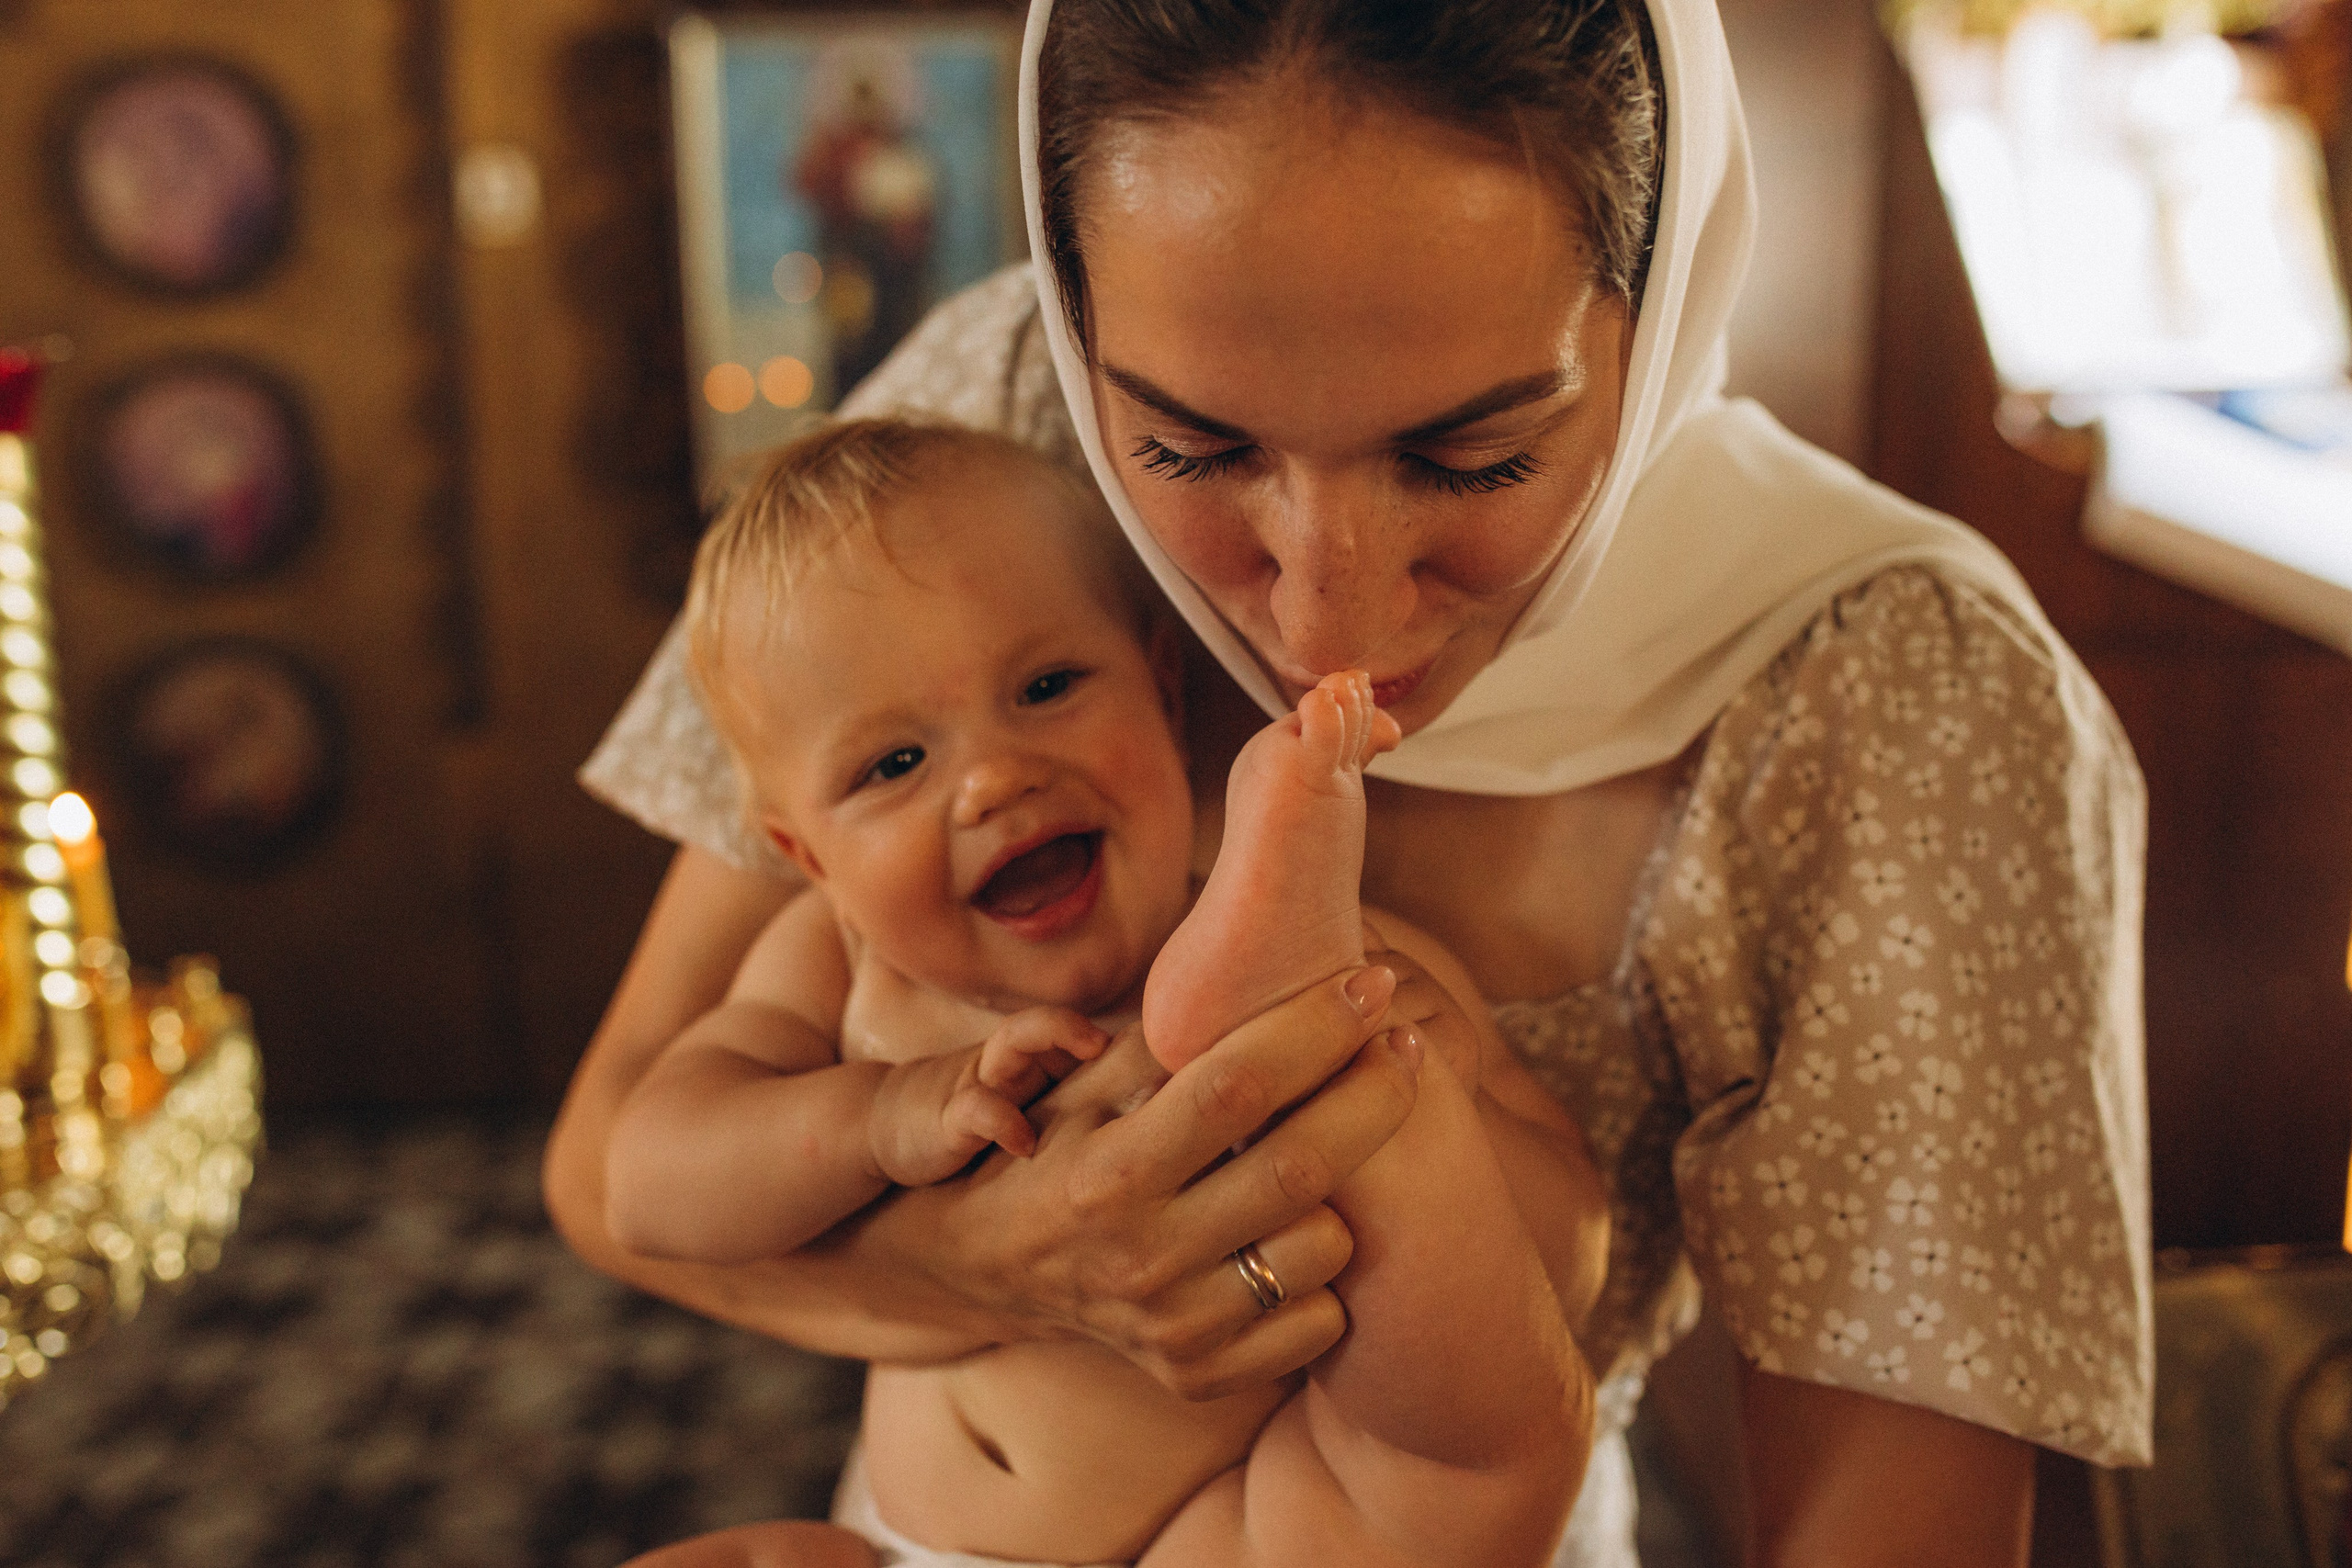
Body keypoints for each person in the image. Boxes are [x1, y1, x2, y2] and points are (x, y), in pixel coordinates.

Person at [553, 1, 2154, 1562]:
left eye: (1472, 458)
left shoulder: (1901, 693)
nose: (1329, 626)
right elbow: (613, 1166)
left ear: (1660, 299)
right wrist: (1013, 1259)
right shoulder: (1010, 407)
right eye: (1191, 452)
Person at [605, 420, 1600, 1568]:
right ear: (808, 857)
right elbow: (647, 1186)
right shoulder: (834, 964)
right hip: (914, 1543)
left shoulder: (1340, 956)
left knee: (1442, 1472)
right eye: (893, 764)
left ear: (1162, 693)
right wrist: (876, 1116)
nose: (993, 778)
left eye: (1046, 686)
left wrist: (1429, 1106)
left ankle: (1363, 1088)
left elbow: (1573, 1255)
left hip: (1236, 1523)